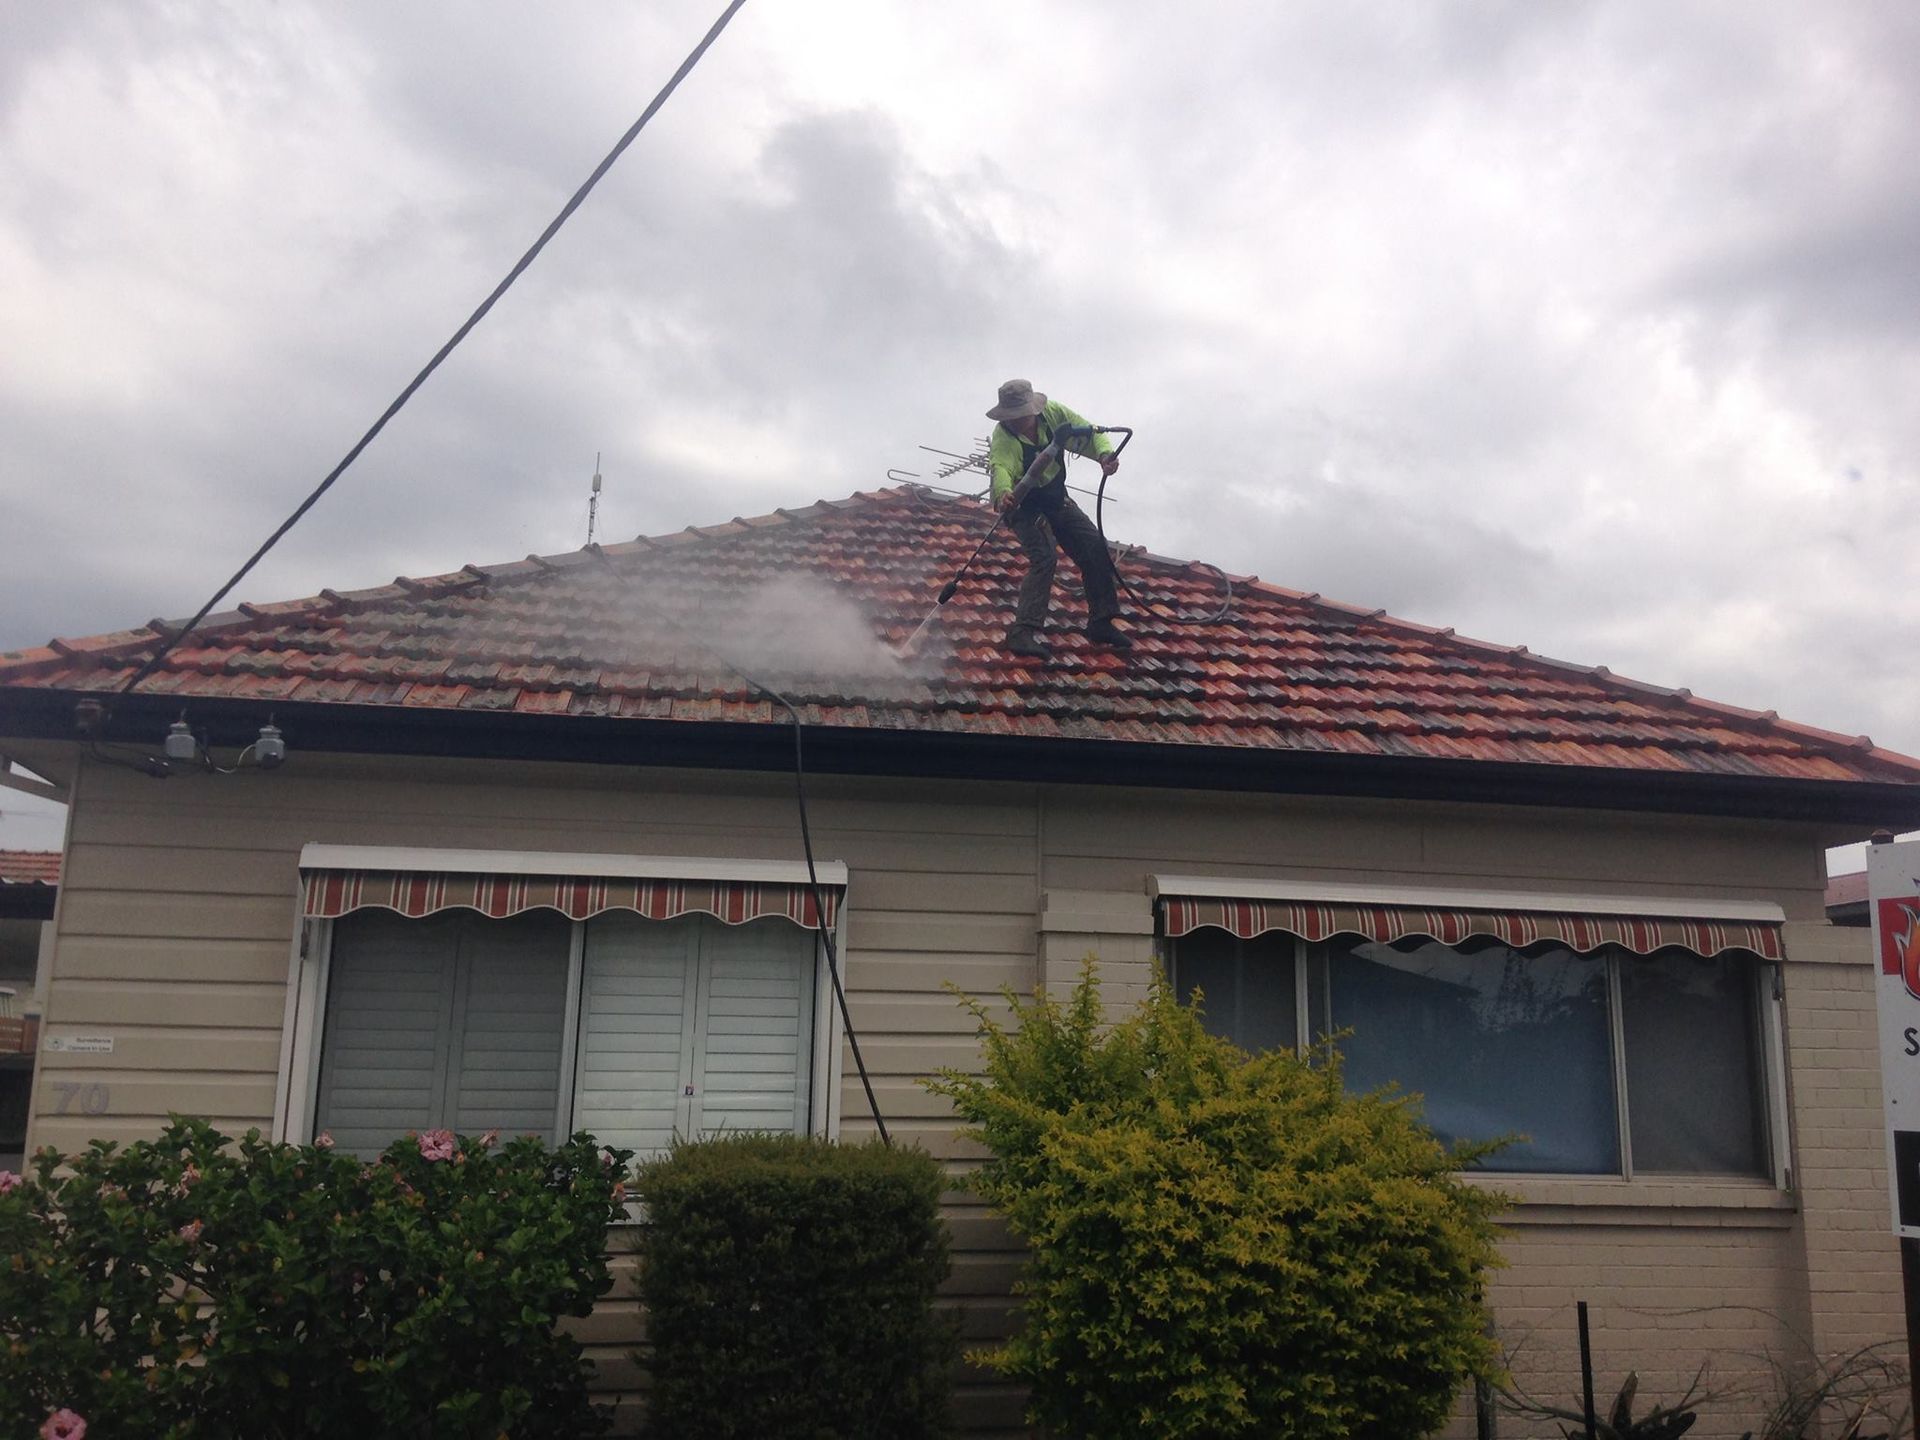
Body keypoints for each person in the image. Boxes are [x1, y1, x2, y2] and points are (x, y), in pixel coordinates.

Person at [984, 378, 1132, 657]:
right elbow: (1001, 467)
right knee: (1044, 557)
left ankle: (1101, 621)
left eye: (1021, 416)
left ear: (1033, 410)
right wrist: (1004, 493)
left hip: (1055, 499)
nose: (1017, 422)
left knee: (1094, 546)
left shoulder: (1055, 415)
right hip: (1024, 507)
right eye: (1012, 418)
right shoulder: (1005, 437)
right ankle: (1023, 632)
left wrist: (1104, 455)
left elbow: (1090, 433)